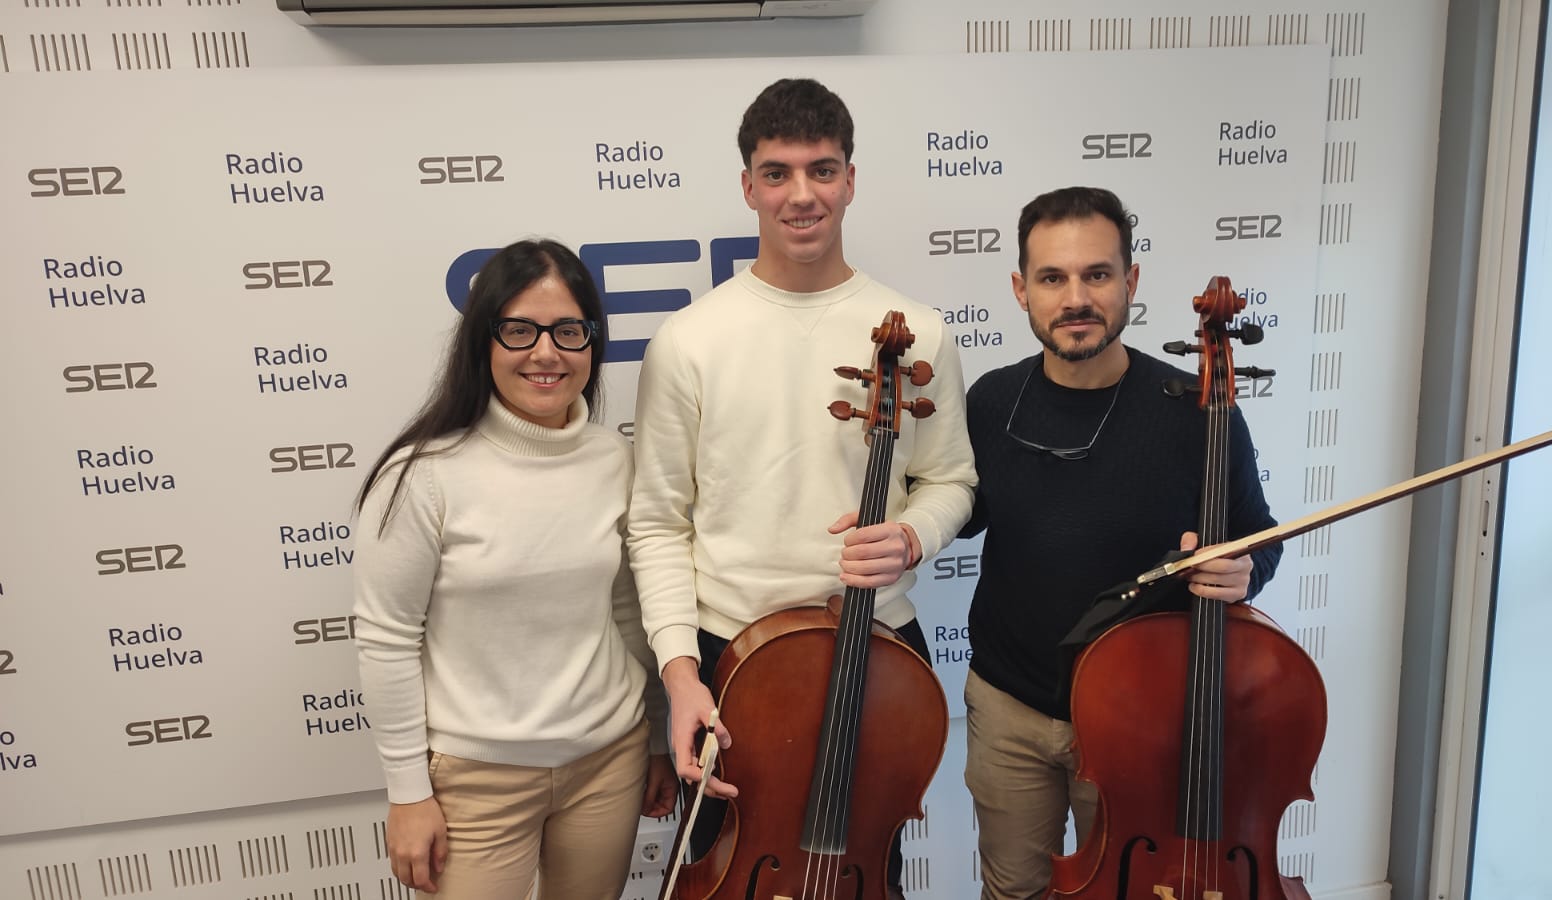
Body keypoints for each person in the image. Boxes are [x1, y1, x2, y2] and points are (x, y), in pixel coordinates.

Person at [628, 78, 977, 896]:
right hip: (731, 659)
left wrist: (913, 534)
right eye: (777, 173)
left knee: (862, 868)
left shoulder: (917, 331)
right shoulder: (689, 341)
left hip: (878, 649)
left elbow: (952, 479)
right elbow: (655, 525)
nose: (801, 194)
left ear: (850, 179)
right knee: (727, 870)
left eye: (822, 170)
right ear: (748, 186)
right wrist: (681, 674)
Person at [960, 186, 1282, 900]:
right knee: (1014, 891)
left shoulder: (1200, 411)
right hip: (1009, 707)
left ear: (1130, 282)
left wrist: (1244, 570)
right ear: (1021, 290)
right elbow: (956, 510)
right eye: (1052, 278)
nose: (1076, 297)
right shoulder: (990, 402)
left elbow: (1261, 537)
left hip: (1139, 714)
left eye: (1096, 275)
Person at [352, 239, 675, 900]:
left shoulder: (611, 458)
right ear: (483, 341)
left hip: (607, 762)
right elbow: (386, 640)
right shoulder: (423, 476)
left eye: (568, 331)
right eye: (520, 330)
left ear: (593, 341)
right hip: (476, 780)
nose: (546, 353)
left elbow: (625, 609)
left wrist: (656, 739)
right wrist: (408, 793)